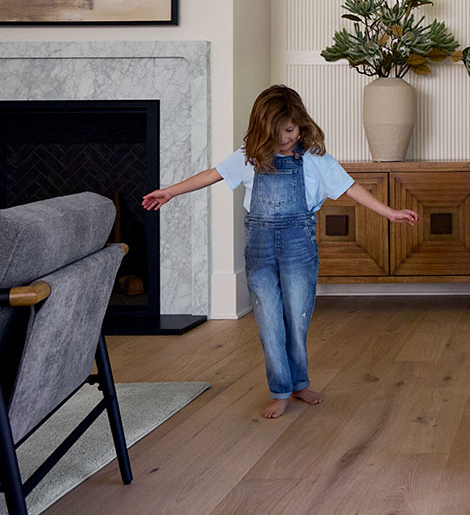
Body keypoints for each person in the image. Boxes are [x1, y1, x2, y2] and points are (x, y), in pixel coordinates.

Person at [142, 85, 419, 419]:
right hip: (259, 252)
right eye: (277, 132)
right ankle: (280, 391)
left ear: (300, 124)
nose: (285, 138)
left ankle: (299, 384)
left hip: (298, 250)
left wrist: (388, 212)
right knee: (270, 322)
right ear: (263, 130)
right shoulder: (249, 157)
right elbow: (212, 175)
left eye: (289, 130)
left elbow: (350, 187)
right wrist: (170, 192)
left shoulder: (315, 159)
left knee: (297, 320)